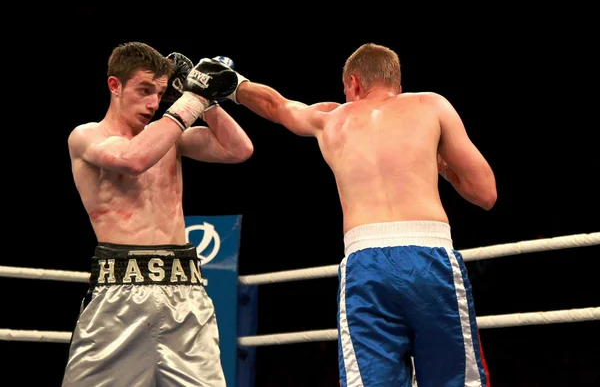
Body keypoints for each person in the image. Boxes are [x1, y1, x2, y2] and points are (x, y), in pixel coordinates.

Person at [207, 43, 497, 386]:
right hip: (430, 258)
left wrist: (234, 82)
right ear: (397, 82)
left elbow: (276, 105)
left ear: (354, 83)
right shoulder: (430, 105)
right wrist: (442, 167)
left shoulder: (332, 118)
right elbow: (485, 193)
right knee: (454, 380)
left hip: (366, 264)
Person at [63, 42, 254, 386]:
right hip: (118, 297)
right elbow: (133, 160)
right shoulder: (86, 137)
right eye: (144, 90)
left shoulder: (170, 138)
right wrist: (191, 99)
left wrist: (203, 96)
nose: (153, 103)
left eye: (161, 92)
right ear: (115, 85)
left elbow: (238, 149)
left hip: (185, 293)